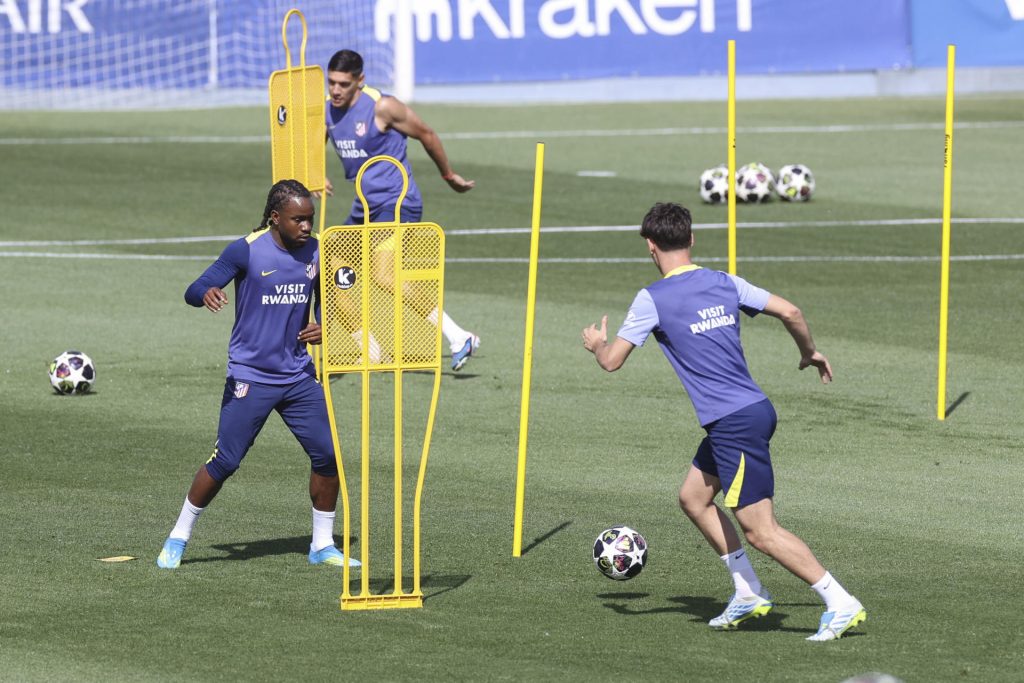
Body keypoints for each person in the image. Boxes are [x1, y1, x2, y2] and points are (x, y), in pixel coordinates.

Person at [581, 202, 866, 642]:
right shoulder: (724, 281)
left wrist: (598, 344)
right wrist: (808, 352)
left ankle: (839, 601)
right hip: (745, 414)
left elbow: (612, 363)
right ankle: (748, 591)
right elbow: (790, 312)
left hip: (734, 424)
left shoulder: (651, 299)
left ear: (650, 246)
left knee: (761, 531)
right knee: (694, 498)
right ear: (691, 240)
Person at [156, 179, 359, 570]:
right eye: (298, 219)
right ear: (275, 217)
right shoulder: (246, 251)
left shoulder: (318, 251)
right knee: (225, 461)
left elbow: (332, 301)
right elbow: (194, 288)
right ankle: (178, 537)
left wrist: (323, 324)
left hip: (299, 377)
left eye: (310, 219)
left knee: (328, 456)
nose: (306, 226)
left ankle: (321, 545)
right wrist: (207, 294)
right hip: (251, 376)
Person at [321, 48, 479, 371]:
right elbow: (313, 143)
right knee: (327, 268)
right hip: (364, 207)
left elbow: (426, 134)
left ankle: (458, 336)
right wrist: (315, 172)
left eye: (343, 84)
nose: (336, 90)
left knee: (383, 274)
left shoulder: (382, 107)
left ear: (360, 81)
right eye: (332, 82)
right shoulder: (327, 110)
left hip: (397, 201)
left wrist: (448, 176)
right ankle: (371, 350)